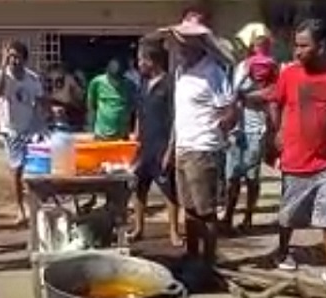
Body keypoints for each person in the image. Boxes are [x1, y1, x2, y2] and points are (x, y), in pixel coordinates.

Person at [251, 19, 326, 288]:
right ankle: (282, 250)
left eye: (304, 46)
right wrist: (276, 131)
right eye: (295, 45)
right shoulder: (290, 74)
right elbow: (275, 101)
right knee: (288, 215)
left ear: (322, 46)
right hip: (296, 159)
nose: (297, 51)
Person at [171, 21, 236, 268]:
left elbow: (228, 109)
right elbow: (180, 114)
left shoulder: (213, 72)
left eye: (184, 46)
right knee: (188, 208)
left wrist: (220, 131)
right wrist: (173, 146)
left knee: (205, 210)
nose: (180, 50)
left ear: (197, 46)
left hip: (203, 149)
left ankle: (209, 261)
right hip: (183, 147)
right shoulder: (181, 72)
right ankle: (192, 254)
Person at [221, 37, 277, 234]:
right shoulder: (242, 68)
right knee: (232, 176)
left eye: (265, 46)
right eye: (257, 46)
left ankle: (248, 217)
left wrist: (273, 132)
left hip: (257, 128)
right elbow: (232, 93)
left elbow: (273, 95)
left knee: (252, 177)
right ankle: (228, 215)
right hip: (237, 129)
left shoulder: (272, 69)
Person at [130, 39, 181, 246]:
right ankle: (138, 227)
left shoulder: (169, 84)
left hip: (161, 144)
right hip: (143, 145)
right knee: (139, 188)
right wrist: (135, 137)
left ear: (153, 61)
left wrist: (170, 149)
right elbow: (139, 114)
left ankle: (174, 232)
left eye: (142, 59)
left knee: (169, 190)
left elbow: (175, 118)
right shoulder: (142, 83)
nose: (139, 63)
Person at [0, 40, 45, 226]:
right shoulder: (2, 75)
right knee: (17, 168)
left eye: (17, 56)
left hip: (30, 128)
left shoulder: (33, 79)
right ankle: (20, 208)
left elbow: (39, 103)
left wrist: (42, 127)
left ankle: (34, 206)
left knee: (34, 170)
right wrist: (2, 63)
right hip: (10, 129)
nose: (13, 60)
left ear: (24, 59)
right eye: (10, 56)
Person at [86, 58, 136, 140]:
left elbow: (133, 107)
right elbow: (91, 106)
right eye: (112, 79)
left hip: (122, 136)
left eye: (118, 79)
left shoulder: (130, 85)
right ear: (107, 72)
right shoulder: (96, 83)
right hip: (101, 136)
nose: (116, 82)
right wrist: (90, 128)